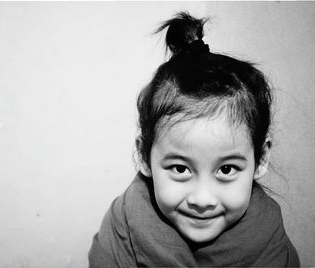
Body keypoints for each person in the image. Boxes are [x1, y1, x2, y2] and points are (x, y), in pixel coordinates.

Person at [88, 11, 300, 267]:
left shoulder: (273, 246)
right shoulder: (121, 228)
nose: (202, 199)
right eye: (180, 169)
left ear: (261, 158)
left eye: (226, 169)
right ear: (144, 156)